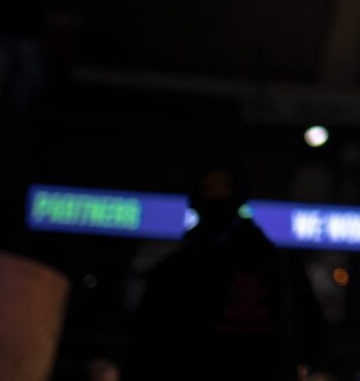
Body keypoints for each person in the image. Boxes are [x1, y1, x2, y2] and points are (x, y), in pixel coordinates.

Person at [128, 158, 326, 381]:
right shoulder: (281, 267)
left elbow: (144, 350)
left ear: (193, 203)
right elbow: (312, 342)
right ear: (242, 200)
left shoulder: (175, 271)